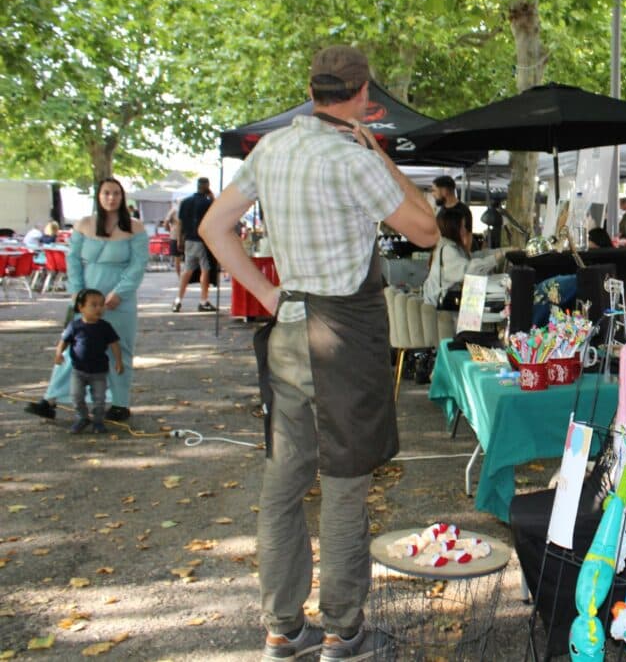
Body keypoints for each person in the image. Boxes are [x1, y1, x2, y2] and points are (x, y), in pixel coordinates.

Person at [199, 45, 439, 661]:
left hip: (290, 322)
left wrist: (266, 293)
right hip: (345, 331)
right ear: (363, 96)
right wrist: (383, 157)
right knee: (344, 483)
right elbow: (427, 229)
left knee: (283, 483)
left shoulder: (270, 149)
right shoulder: (352, 157)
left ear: (310, 90)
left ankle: (282, 628)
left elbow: (213, 227)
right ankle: (343, 631)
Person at [24, 178, 148, 423]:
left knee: (119, 349)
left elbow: (138, 264)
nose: (111, 198)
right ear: (98, 197)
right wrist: (77, 292)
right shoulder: (84, 224)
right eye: (106, 193)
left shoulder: (135, 228)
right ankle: (50, 400)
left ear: (122, 197)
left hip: (119, 299)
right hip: (86, 296)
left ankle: (120, 404)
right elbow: (72, 260)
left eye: (116, 193)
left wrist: (120, 293)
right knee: (74, 348)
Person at [424, 205, 511, 338]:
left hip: (446, 312)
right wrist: (497, 257)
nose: (465, 230)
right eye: (463, 226)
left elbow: (475, 256)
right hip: (445, 316)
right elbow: (469, 270)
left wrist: (501, 252)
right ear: (454, 227)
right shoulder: (448, 250)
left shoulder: (449, 247)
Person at [55, 288, 122, 435]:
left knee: (99, 398)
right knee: (76, 396)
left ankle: (98, 421)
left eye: (101, 305)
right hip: (78, 371)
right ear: (81, 307)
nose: (99, 308)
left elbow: (114, 344)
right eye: (94, 305)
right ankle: (82, 417)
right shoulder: (74, 326)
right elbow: (64, 341)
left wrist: (119, 361)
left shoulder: (105, 327)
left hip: (99, 371)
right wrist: (59, 353)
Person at [173, 177, 216, 312]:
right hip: (202, 240)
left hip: (188, 240)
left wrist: (179, 239)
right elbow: (215, 215)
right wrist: (212, 197)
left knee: (187, 270)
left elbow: (179, 222)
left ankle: (178, 300)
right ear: (207, 186)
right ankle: (203, 300)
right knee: (205, 270)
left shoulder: (185, 202)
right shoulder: (207, 203)